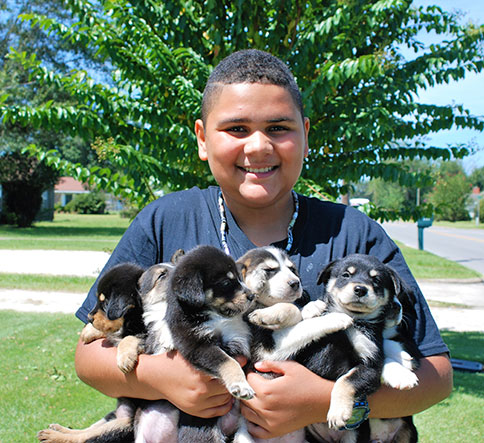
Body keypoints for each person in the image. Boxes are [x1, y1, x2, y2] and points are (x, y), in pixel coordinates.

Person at [75, 49, 452, 440]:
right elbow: (87, 357)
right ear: (203, 138)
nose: (258, 147)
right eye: (236, 128)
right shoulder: (164, 220)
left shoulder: (355, 234)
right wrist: (159, 377)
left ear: (305, 136)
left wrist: (321, 400)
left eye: (278, 128)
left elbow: (437, 376)